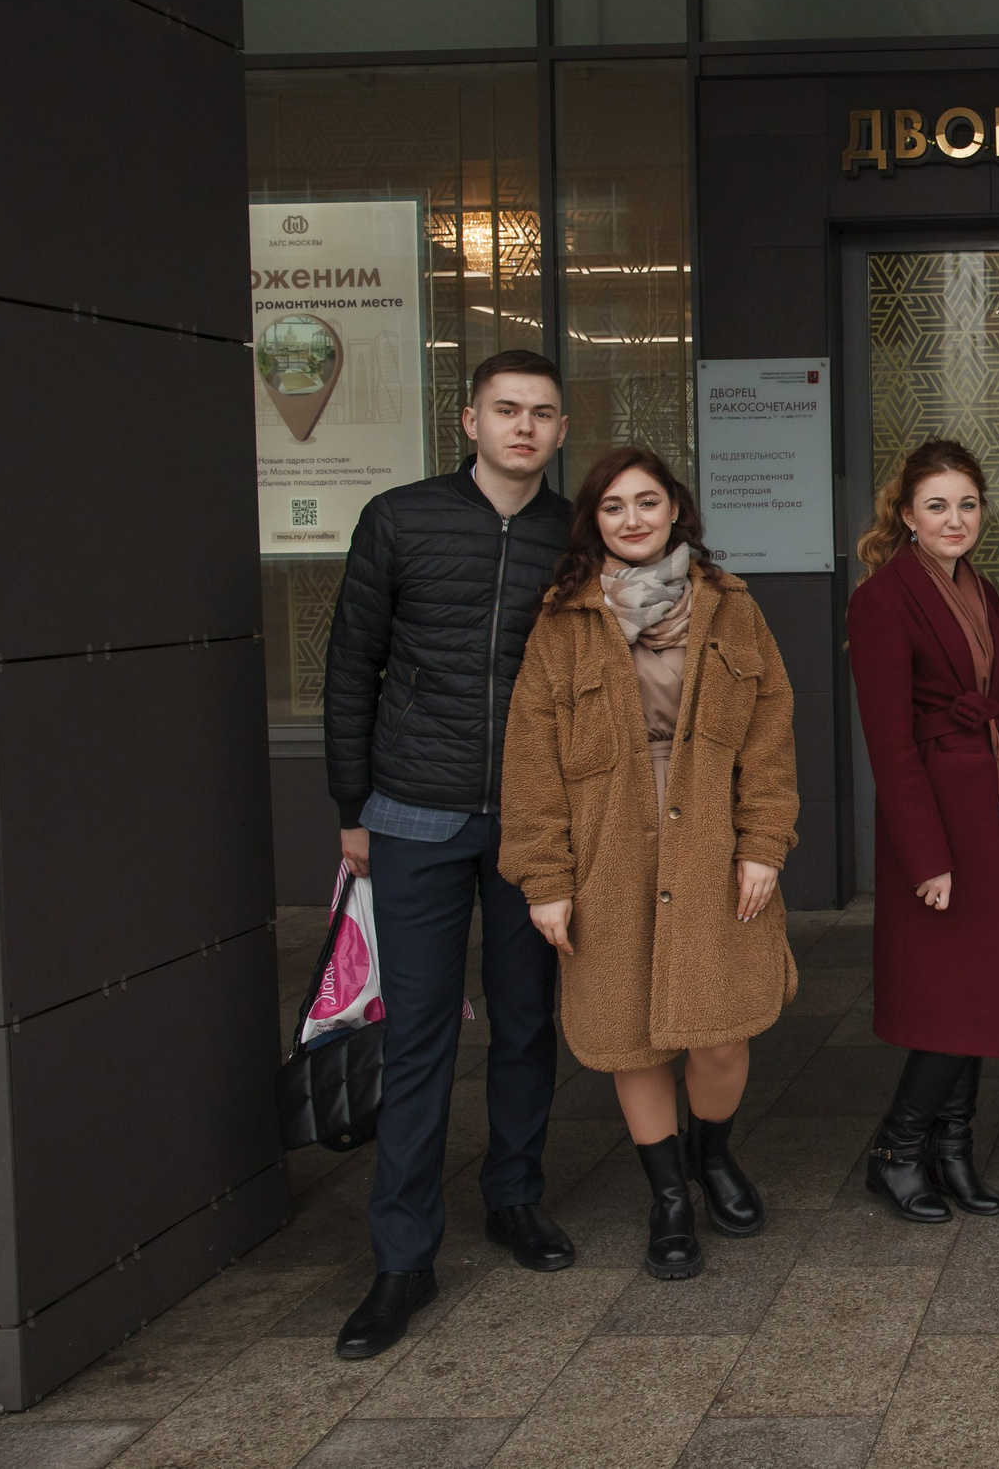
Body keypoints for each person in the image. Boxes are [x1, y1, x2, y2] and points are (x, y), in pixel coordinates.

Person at [321, 349, 577, 1360]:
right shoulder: (401, 517)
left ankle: (514, 1200)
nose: (524, 427)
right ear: (468, 421)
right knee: (420, 1033)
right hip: (413, 815)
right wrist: (352, 806)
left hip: (530, 822)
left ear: (561, 431)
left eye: (543, 414)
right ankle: (401, 1258)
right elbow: (352, 662)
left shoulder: (572, 536)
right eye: (506, 410)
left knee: (524, 1023)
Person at [500, 446, 800, 1281]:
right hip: (607, 853)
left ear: (677, 510)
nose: (633, 518)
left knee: (721, 1033)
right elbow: (530, 759)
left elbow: (771, 737)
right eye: (613, 507)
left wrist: (762, 843)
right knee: (633, 1039)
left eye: (648, 502)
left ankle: (713, 1154)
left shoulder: (732, 610)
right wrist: (546, 880)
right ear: (593, 521)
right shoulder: (561, 622)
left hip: (711, 842)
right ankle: (669, 1195)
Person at [845, 439, 999, 1223]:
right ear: (906, 514)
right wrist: (925, 854)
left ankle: (952, 1149)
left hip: (996, 812)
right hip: (938, 823)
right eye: (936, 505)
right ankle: (897, 1150)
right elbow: (889, 742)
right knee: (952, 995)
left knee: (978, 991)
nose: (954, 518)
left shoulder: (984, 590)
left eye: (967, 504)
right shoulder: (881, 599)